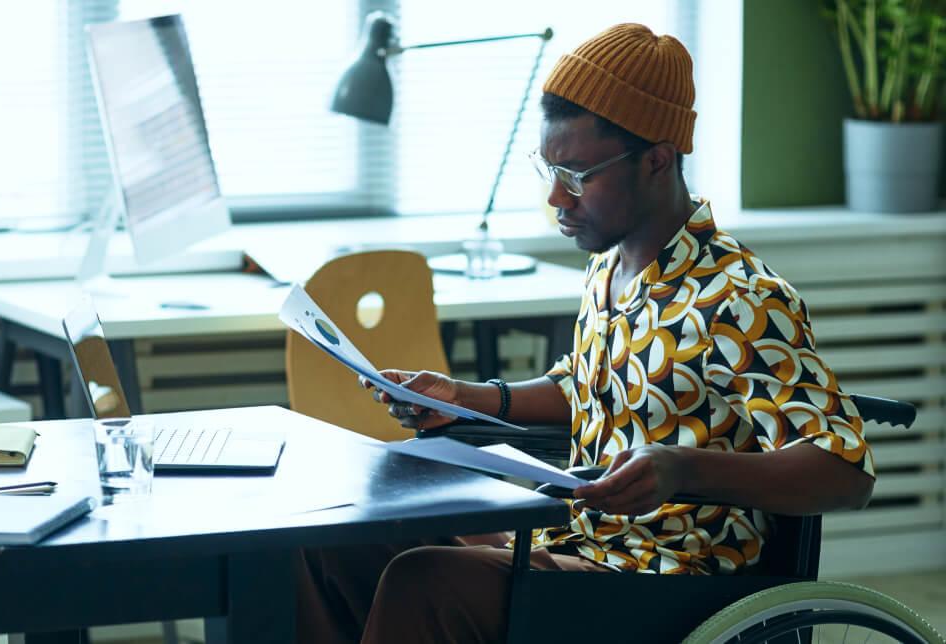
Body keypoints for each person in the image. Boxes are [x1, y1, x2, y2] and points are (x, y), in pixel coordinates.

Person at [297, 22, 875, 644]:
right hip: (577, 543)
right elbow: (586, 385)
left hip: (668, 581)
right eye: (549, 169)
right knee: (331, 540)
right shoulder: (610, 268)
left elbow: (843, 470)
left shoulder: (743, 299)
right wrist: (466, 397)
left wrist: (681, 468)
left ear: (656, 160)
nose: (557, 199)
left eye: (576, 175)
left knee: (423, 581)